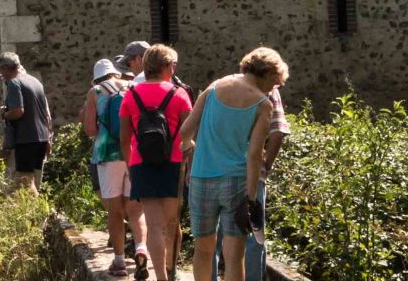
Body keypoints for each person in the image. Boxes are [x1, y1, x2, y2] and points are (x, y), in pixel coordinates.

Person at [181, 47, 286, 281]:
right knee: (234, 255)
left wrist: (189, 146)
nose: (275, 87)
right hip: (236, 182)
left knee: (203, 250)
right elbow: (254, 156)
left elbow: (185, 130)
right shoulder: (263, 104)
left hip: (201, 178)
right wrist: (250, 199)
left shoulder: (214, 87)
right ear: (267, 73)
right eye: (276, 81)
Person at [120, 44, 194, 281]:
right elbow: (189, 135)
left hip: (141, 164)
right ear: (164, 66)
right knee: (171, 223)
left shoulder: (130, 94)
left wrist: (131, 167)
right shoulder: (179, 94)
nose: (174, 68)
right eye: (172, 64)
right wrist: (189, 161)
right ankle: (172, 272)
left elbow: (124, 139)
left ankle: (161, 277)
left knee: (153, 225)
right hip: (173, 163)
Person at [80, 59, 147, 277]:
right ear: (115, 73)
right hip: (134, 153)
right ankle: (141, 250)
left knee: (115, 211)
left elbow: (90, 130)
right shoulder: (131, 87)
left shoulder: (95, 91)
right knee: (136, 210)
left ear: (97, 77)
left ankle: (119, 262)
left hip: (108, 155)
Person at [0, 52, 53, 195]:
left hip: (26, 138)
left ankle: (38, 212)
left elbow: (18, 111)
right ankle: (30, 213)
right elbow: (46, 114)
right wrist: (48, 138)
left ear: (5, 67)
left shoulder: (14, 83)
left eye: (0, 70)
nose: (1, 74)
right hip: (41, 138)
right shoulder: (35, 81)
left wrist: (4, 114)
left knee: (25, 181)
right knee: (31, 181)